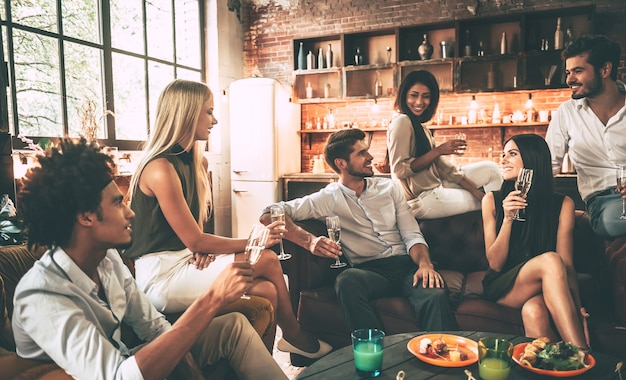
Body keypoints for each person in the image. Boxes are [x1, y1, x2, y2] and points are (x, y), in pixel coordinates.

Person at [13, 140, 291, 380]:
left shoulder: (107, 259)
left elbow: (155, 328)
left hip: (124, 360)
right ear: (86, 217)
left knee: (234, 326)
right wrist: (212, 300)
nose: (130, 212)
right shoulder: (43, 296)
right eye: (117, 202)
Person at [125, 79, 331, 360]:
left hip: (185, 262)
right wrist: (254, 241)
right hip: (160, 277)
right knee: (268, 259)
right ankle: (295, 336)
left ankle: (262, 366)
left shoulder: (199, 163)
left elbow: (193, 235)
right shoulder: (159, 168)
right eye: (208, 112)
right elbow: (195, 238)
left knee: (266, 291)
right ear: (186, 113)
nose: (215, 120)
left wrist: (199, 250)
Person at [260, 128, 458, 333]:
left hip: (406, 266)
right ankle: (374, 353)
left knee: (433, 293)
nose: (370, 157)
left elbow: (411, 234)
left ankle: (442, 358)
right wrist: (308, 241)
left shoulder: (389, 188)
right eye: (361, 153)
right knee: (347, 280)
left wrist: (425, 265)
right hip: (370, 272)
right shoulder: (327, 198)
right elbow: (268, 213)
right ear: (341, 164)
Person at [482, 133, 589, 349]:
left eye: (512, 154)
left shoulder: (563, 204)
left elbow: (567, 265)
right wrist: (508, 219)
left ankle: (556, 373)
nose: (503, 160)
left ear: (532, 159)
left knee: (534, 312)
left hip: (545, 286)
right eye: (503, 154)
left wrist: (577, 307)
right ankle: (584, 355)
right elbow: (495, 264)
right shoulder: (491, 200)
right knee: (550, 259)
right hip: (505, 286)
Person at [387, 70, 502, 219]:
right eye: (414, 95)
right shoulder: (402, 121)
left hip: (436, 188)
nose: (419, 102)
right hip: (423, 199)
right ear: (405, 95)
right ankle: (503, 233)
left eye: (426, 96)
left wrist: (474, 190)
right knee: (490, 203)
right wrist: (438, 150)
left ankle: (503, 224)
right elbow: (399, 170)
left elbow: (444, 167)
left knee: (491, 169)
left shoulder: (420, 127)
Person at [545, 34, 626, 238]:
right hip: (603, 204)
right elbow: (547, 166)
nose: (569, 79)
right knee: (612, 220)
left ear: (605, 70)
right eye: (568, 72)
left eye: (578, 71)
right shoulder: (566, 113)